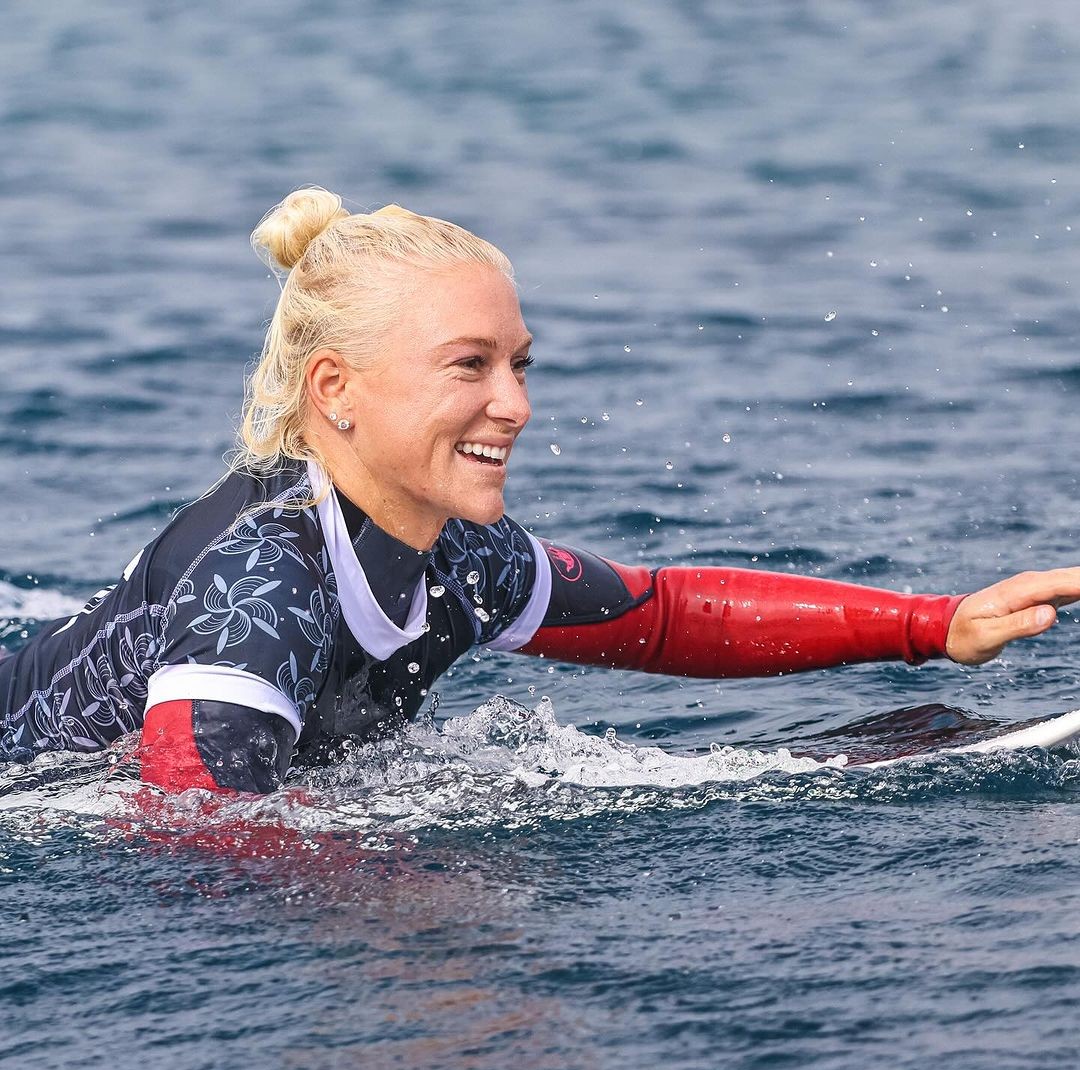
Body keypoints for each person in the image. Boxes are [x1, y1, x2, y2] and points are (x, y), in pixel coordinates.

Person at [3, 187, 1079, 795]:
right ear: (336, 393)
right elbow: (194, 835)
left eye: (522, 363)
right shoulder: (262, 583)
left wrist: (936, 626)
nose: (514, 405)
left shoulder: (457, 552)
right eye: (470, 367)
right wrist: (412, 901)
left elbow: (661, 618)